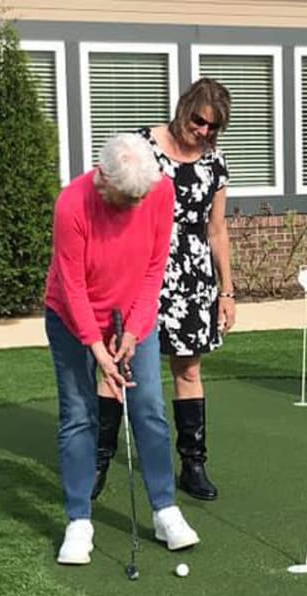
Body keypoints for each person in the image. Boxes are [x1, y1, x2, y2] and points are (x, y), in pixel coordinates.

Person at [44, 133, 200, 565]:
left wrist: (132, 331)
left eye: (141, 196)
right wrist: (97, 349)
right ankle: (79, 520)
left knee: (147, 406)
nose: (135, 205)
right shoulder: (72, 204)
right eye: (126, 197)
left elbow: (155, 267)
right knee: (78, 414)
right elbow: (71, 286)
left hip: (133, 313)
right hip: (71, 317)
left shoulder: (160, 189)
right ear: (103, 179)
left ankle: (166, 509)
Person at [94, 78, 234, 502]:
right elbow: (112, 206)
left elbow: (217, 229)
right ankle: (98, 459)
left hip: (192, 276)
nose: (204, 132)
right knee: (121, 366)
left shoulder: (215, 162)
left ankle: (193, 463)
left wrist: (227, 291)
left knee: (189, 370)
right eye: (199, 121)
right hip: (140, 268)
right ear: (183, 108)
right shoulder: (142, 148)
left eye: (214, 127)